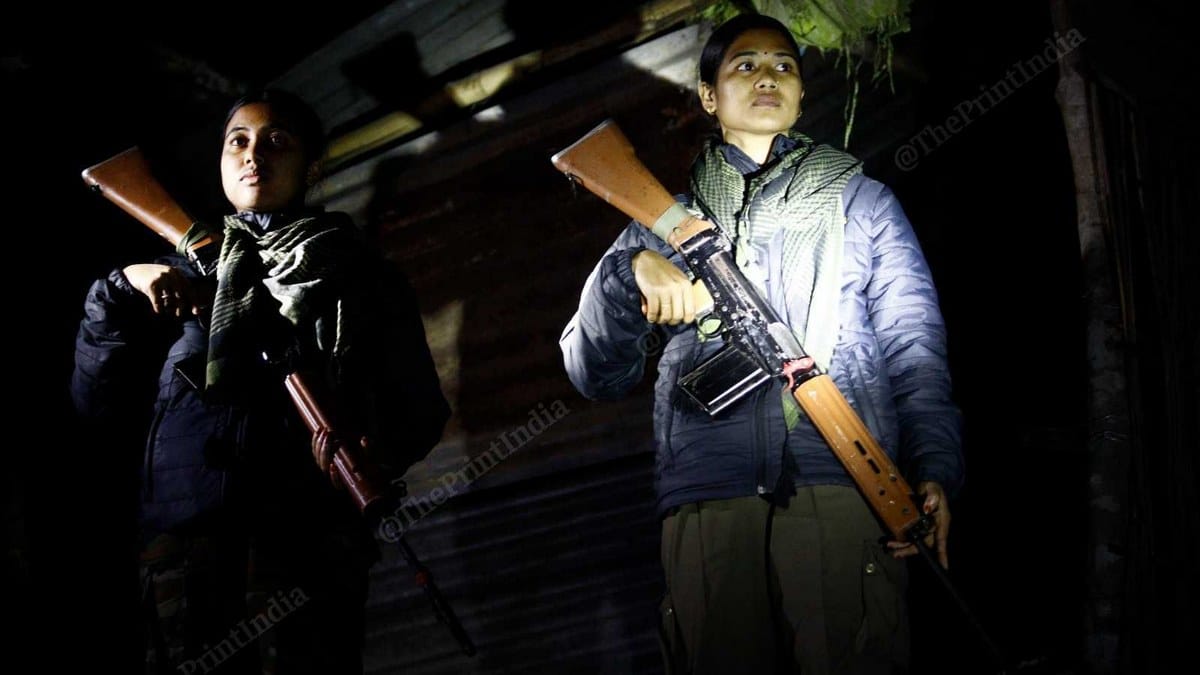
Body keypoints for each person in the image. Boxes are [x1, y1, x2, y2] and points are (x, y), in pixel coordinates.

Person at [560, 13, 963, 675]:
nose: (768, 75)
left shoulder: (862, 203)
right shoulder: (662, 219)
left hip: (842, 479)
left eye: (784, 64)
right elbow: (590, 371)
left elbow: (914, 349)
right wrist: (625, 277)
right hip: (708, 494)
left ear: (803, 93)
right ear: (709, 96)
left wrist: (935, 469)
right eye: (744, 64)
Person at [72, 88, 450, 674]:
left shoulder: (361, 276)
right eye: (238, 141)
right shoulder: (177, 273)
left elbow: (418, 411)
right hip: (183, 545)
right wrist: (121, 286)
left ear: (312, 166)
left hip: (307, 543)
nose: (254, 155)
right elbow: (95, 403)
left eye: (277, 141)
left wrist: (372, 443)